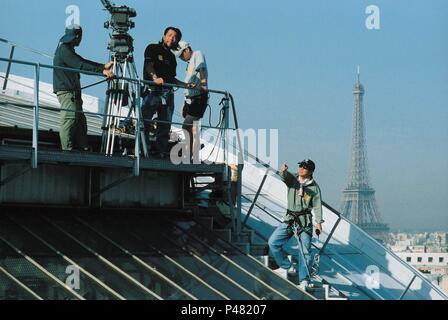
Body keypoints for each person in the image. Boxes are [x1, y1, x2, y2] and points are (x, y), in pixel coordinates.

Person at [53, 25, 114, 151]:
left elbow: (81, 61)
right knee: (69, 118)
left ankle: (84, 148)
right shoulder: (64, 50)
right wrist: (101, 71)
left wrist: (102, 67)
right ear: (77, 36)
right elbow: (80, 65)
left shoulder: (67, 49)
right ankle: (66, 150)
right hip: (67, 92)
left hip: (73, 93)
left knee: (80, 121)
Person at [268, 159, 324, 288]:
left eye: (304, 167)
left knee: (305, 252)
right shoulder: (293, 179)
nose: (301, 169)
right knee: (273, 242)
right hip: (290, 219)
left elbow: (317, 205)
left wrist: (319, 223)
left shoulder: (314, 187)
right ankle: (287, 266)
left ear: (310, 171)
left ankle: (304, 279)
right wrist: (284, 172)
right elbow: (285, 178)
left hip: (305, 222)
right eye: (300, 166)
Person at [142, 27, 194, 157]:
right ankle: (143, 148)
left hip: (167, 94)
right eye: (170, 35)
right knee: (145, 122)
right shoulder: (152, 48)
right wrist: (155, 78)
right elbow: (149, 65)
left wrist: (186, 85)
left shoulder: (172, 57)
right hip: (152, 91)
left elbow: (172, 79)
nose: (172, 38)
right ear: (164, 36)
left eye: (175, 37)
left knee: (165, 125)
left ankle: (161, 151)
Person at [175, 41, 209, 163]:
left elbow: (202, 68)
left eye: (181, 56)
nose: (181, 59)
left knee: (187, 126)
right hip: (190, 99)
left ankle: (189, 153)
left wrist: (204, 84)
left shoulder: (197, 54)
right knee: (191, 127)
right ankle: (191, 151)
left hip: (199, 98)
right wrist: (184, 103)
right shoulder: (189, 64)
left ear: (186, 50)